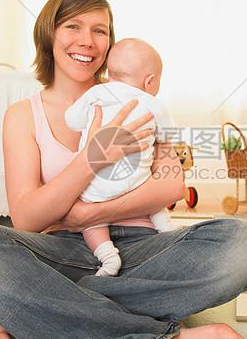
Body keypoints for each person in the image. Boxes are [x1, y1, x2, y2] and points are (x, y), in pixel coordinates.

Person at [0, 0, 247, 339]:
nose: (87, 41)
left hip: (143, 250)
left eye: (100, 30)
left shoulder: (136, 100)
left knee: (245, 243)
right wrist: (92, 157)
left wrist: (90, 214)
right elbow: (26, 218)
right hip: (59, 254)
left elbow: (172, 186)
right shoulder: (22, 115)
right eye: (73, 26)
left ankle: (45, 321)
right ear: (49, 34)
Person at [65, 37, 175, 276]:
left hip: (95, 188)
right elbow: (167, 135)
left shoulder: (95, 93)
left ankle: (107, 257)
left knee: (92, 221)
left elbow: (72, 121)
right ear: (150, 81)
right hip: (139, 187)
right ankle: (167, 232)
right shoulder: (152, 103)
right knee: (156, 204)